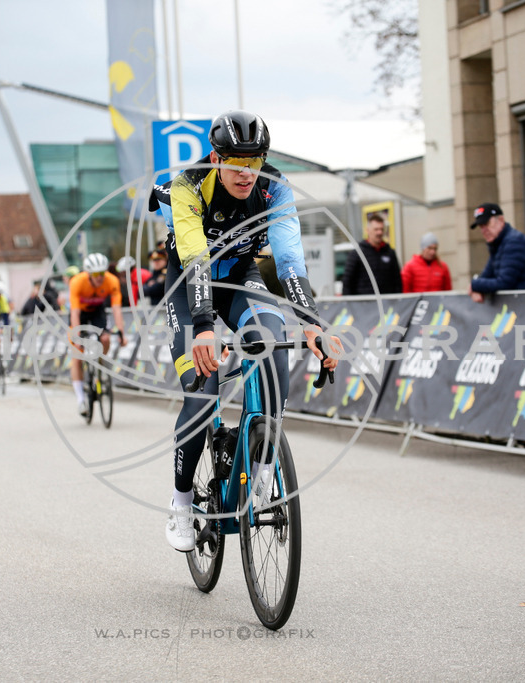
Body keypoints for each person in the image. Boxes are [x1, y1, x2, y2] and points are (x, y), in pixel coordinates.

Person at [148, 109, 341, 552]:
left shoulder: (274, 187)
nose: (245, 172)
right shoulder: (187, 185)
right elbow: (195, 257)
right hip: (187, 285)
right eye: (235, 162)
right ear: (216, 159)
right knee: (202, 395)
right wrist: (202, 327)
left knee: (271, 342)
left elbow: (290, 261)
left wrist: (312, 325)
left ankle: (263, 467)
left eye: (254, 162)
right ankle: (181, 503)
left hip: (240, 280)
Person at [68, 253, 127, 417]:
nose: (99, 277)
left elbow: (116, 309)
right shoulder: (77, 282)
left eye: (102, 273)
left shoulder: (111, 281)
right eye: (95, 274)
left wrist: (122, 332)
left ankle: (100, 362)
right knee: (77, 355)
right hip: (80, 314)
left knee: (106, 338)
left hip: (97, 313)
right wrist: (77, 336)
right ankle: (81, 400)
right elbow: (74, 312)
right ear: (88, 274)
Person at [468, 202, 525, 303]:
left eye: (486, 224)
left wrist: (474, 285)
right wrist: (476, 286)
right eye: (481, 226)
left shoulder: (513, 241)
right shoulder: (498, 245)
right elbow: (487, 275)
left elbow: (504, 282)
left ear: (501, 220)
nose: (483, 230)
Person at [341, 212, 402, 295]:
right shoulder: (356, 254)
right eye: (376, 229)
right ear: (368, 230)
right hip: (363, 304)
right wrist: (349, 304)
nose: (379, 232)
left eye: (381, 229)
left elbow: (397, 281)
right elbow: (347, 282)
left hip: (386, 303)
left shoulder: (390, 253)